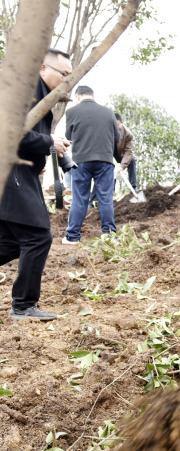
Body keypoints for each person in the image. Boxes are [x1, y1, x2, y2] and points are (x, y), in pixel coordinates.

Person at [0, 48, 72, 320]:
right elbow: (7, 130)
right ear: (43, 68)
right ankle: (23, 306)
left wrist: (50, 144)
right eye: (63, 74)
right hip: (12, 168)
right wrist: (47, 142)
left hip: (23, 171)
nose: (67, 79)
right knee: (37, 235)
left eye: (70, 76)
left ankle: (23, 304)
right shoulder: (24, 91)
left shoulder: (43, 96)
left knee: (10, 242)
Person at [63, 86, 119, 244]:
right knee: (105, 198)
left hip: (81, 161)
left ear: (78, 96)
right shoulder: (108, 112)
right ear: (92, 96)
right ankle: (109, 234)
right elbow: (117, 137)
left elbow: (68, 136)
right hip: (105, 161)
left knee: (79, 199)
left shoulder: (71, 112)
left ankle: (73, 237)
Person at [114, 113, 139, 200]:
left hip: (121, 155)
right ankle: (110, 191)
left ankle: (134, 188)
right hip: (110, 154)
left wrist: (122, 166)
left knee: (132, 160)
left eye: (118, 125)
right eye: (114, 125)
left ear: (121, 123)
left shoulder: (128, 134)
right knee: (109, 168)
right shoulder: (107, 130)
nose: (116, 127)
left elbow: (128, 152)